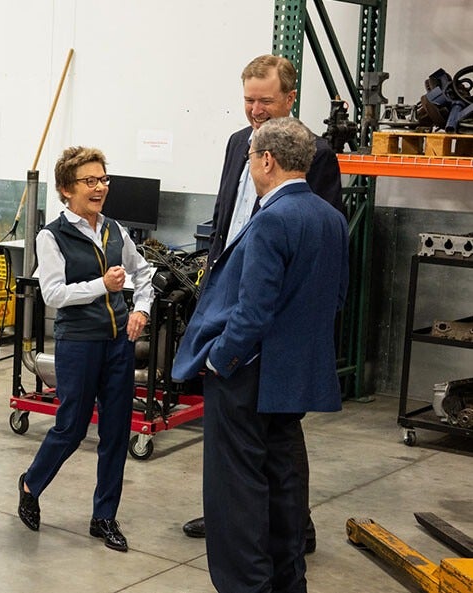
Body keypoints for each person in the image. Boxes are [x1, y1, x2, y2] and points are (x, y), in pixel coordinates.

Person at [172, 116, 349, 593]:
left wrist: (219, 360)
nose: (248, 164)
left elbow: (252, 313)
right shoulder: (331, 218)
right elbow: (335, 300)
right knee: (283, 487)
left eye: (250, 156)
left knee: (237, 496)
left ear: (266, 160)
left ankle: (246, 586)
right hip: (294, 377)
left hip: (247, 377)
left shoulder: (271, 220)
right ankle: (288, 582)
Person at [16, 146, 154, 553]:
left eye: (103, 180)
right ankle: (30, 483)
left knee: (116, 431)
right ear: (65, 189)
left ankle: (104, 516)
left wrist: (141, 309)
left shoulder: (115, 230)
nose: (99, 188)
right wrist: (102, 286)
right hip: (79, 344)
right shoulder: (51, 236)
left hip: (118, 345)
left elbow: (144, 272)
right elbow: (53, 293)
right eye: (89, 181)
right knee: (71, 427)